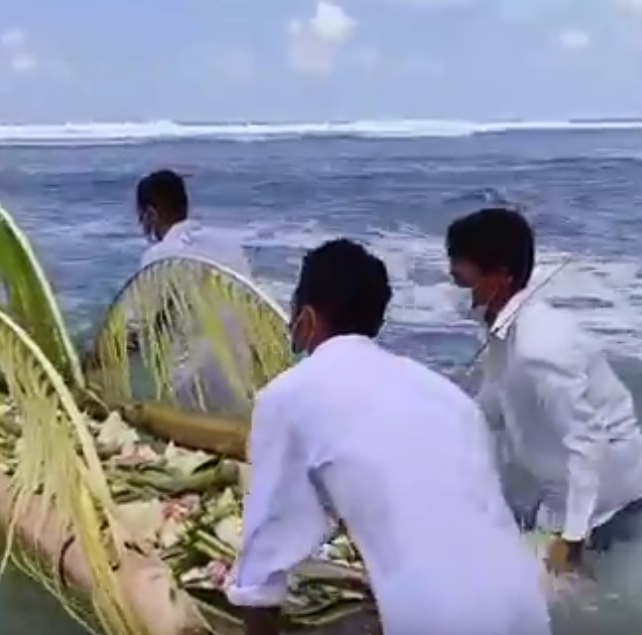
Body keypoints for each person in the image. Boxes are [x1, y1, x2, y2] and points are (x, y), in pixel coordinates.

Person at [228, 239, 549, 635]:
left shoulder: (288, 395)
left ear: (306, 317)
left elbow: (267, 551)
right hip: (527, 611)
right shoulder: (447, 397)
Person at [446, 207, 642, 574]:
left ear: (501, 274)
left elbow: (587, 443)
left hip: (602, 501)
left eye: (461, 274)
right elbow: (489, 415)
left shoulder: (539, 349)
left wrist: (571, 541)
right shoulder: (501, 334)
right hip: (549, 489)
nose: (454, 282)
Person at [125, 169, 257, 413]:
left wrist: (90, 361)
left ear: (151, 214)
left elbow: (132, 332)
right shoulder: (230, 247)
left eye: (142, 218)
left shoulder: (160, 256)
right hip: (242, 392)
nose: (143, 227)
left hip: (191, 396)